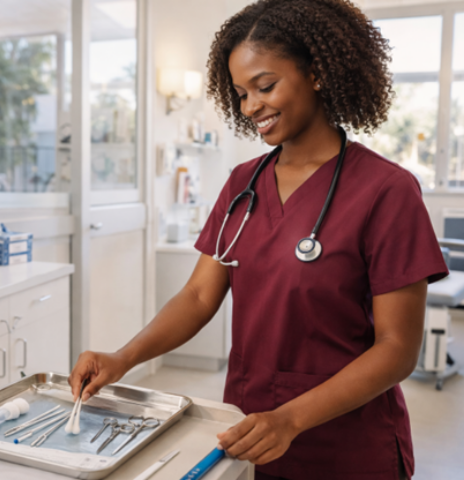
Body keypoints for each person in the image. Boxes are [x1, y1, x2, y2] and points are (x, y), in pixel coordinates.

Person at [68, 0, 449, 479]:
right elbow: (199, 294)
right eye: (240, 93)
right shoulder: (242, 184)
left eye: (265, 86)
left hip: (347, 445)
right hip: (250, 433)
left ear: (317, 71)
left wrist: (290, 418)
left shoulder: (387, 190)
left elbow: (397, 348)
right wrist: (122, 358)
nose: (250, 107)